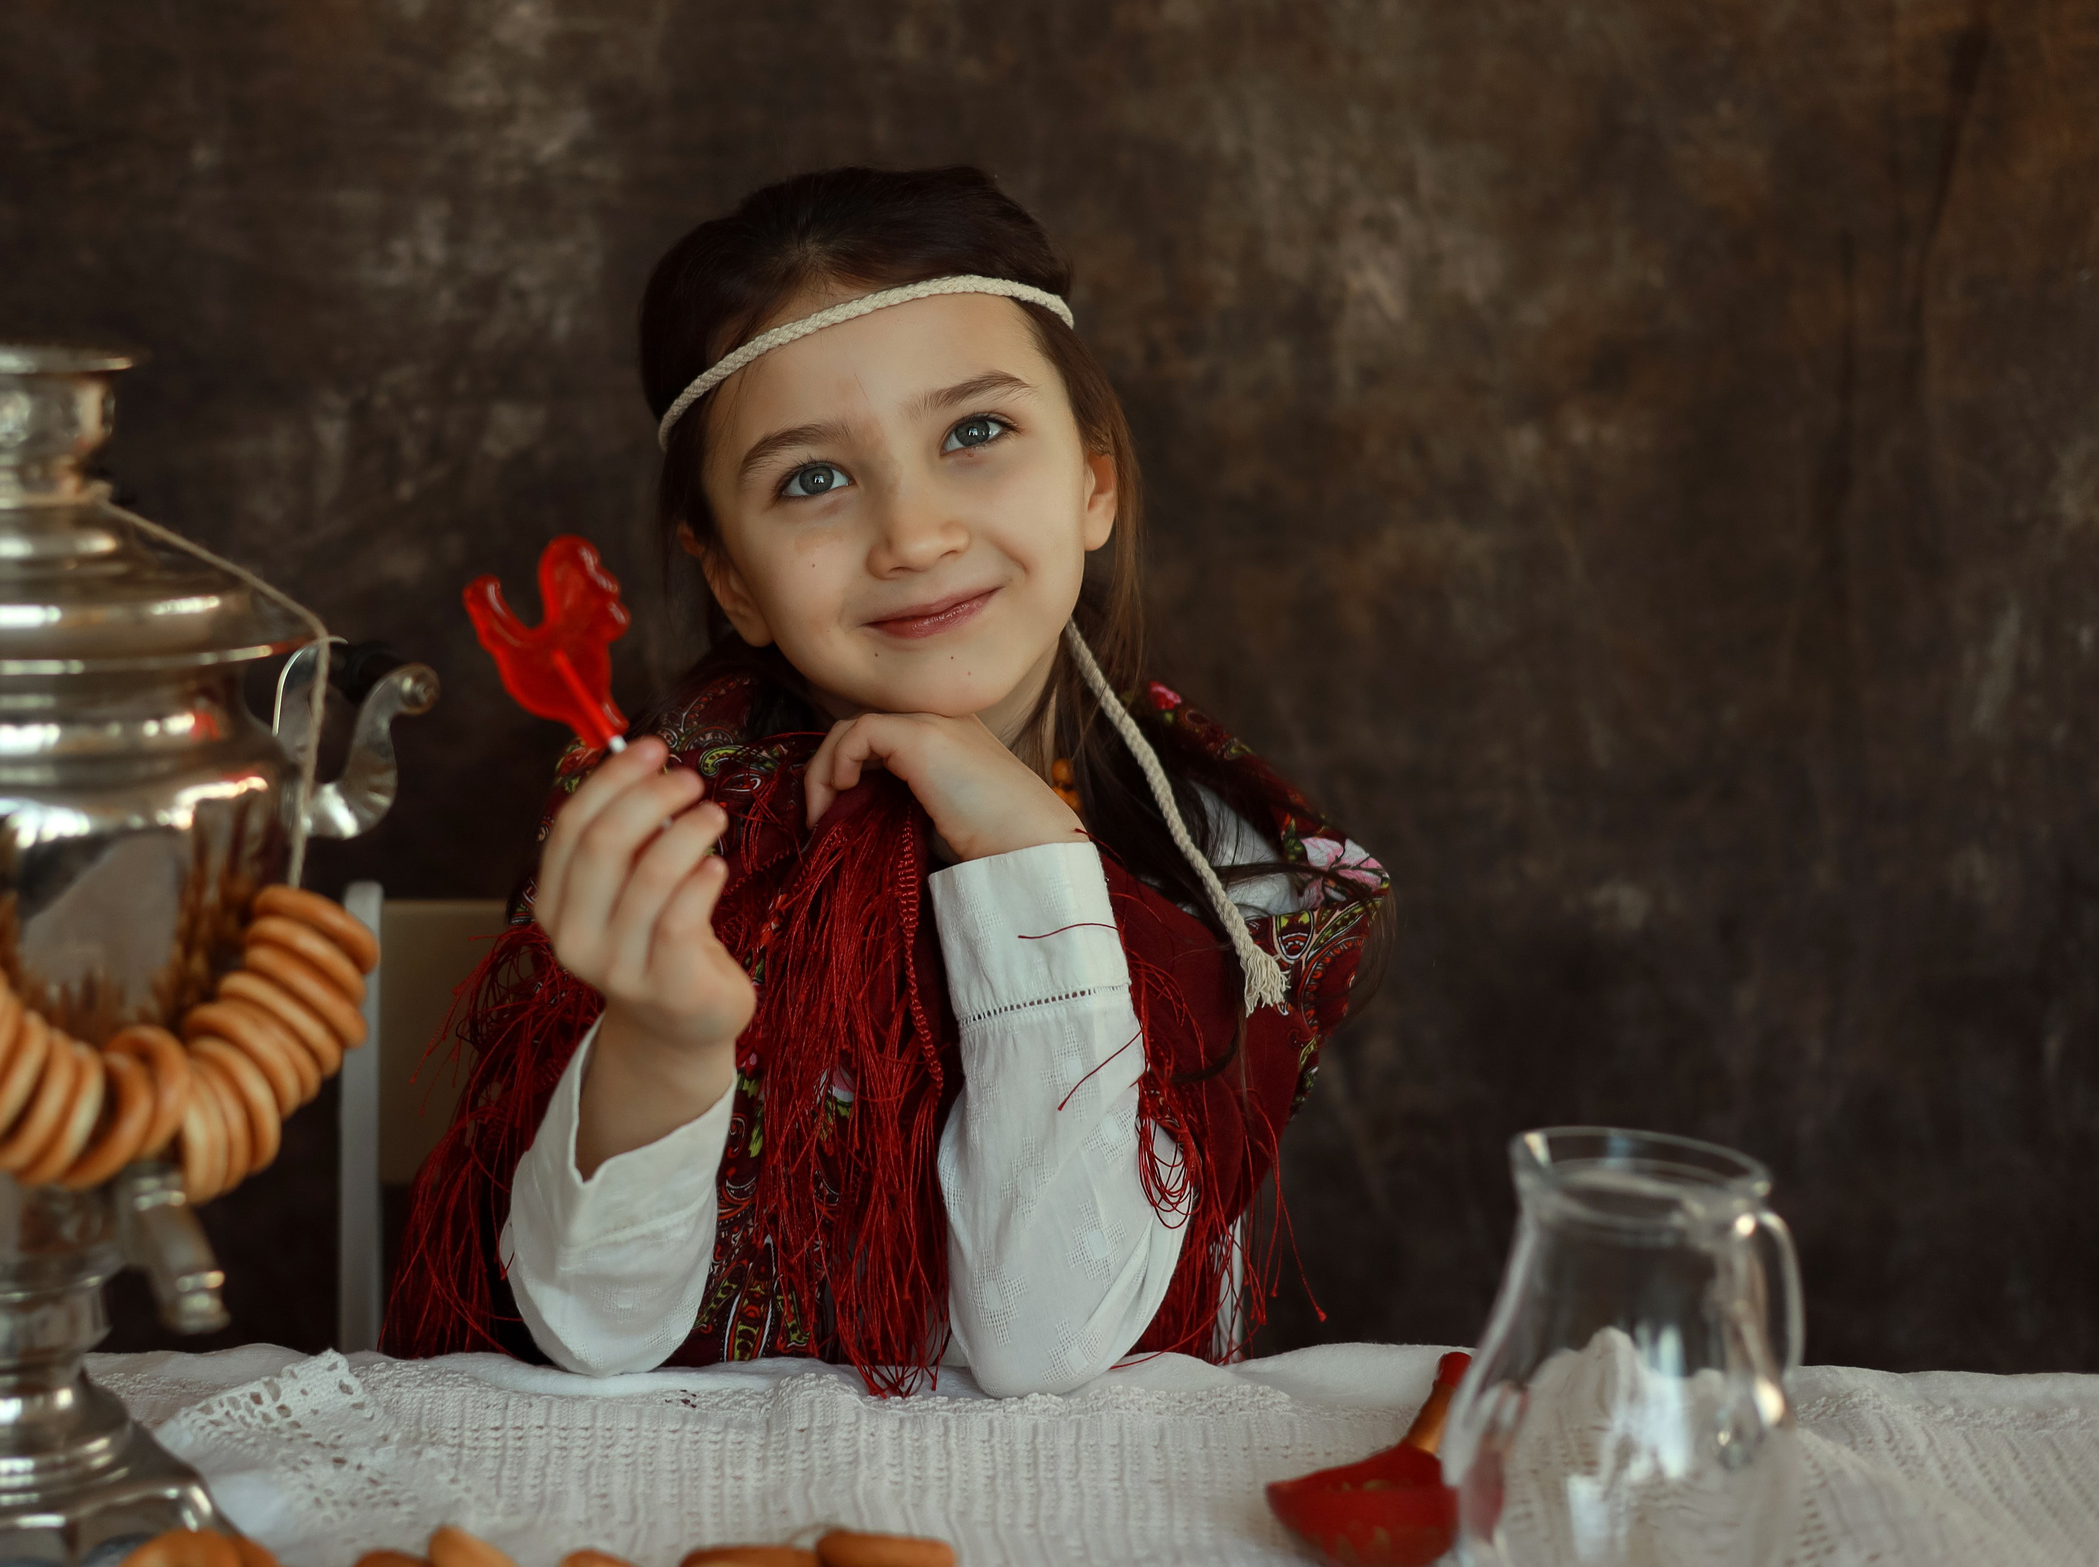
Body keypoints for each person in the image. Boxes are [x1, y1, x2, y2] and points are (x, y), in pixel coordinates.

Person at [384, 166, 1390, 1397]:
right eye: (811, 477)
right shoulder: (665, 850)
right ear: (733, 579)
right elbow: (588, 1339)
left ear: (1093, 481)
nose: (913, 535)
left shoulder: (1230, 872)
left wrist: (1030, 859)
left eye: (975, 433)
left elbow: (1042, 1345)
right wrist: (665, 1041)